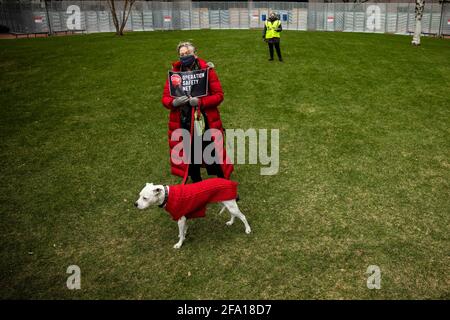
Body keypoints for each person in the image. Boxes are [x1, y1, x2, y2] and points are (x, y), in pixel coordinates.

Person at [162, 42, 233, 183]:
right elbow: (165, 97)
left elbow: (219, 95)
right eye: (181, 54)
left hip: (204, 120)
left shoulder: (207, 71)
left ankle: (224, 184)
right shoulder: (175, 74)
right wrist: (173, 103)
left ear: (195, 54)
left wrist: (201, 102)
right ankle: (197, 186)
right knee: (190, 155)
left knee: (213, 152)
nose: (184, 56)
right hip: (183, 121)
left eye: (187, 53)